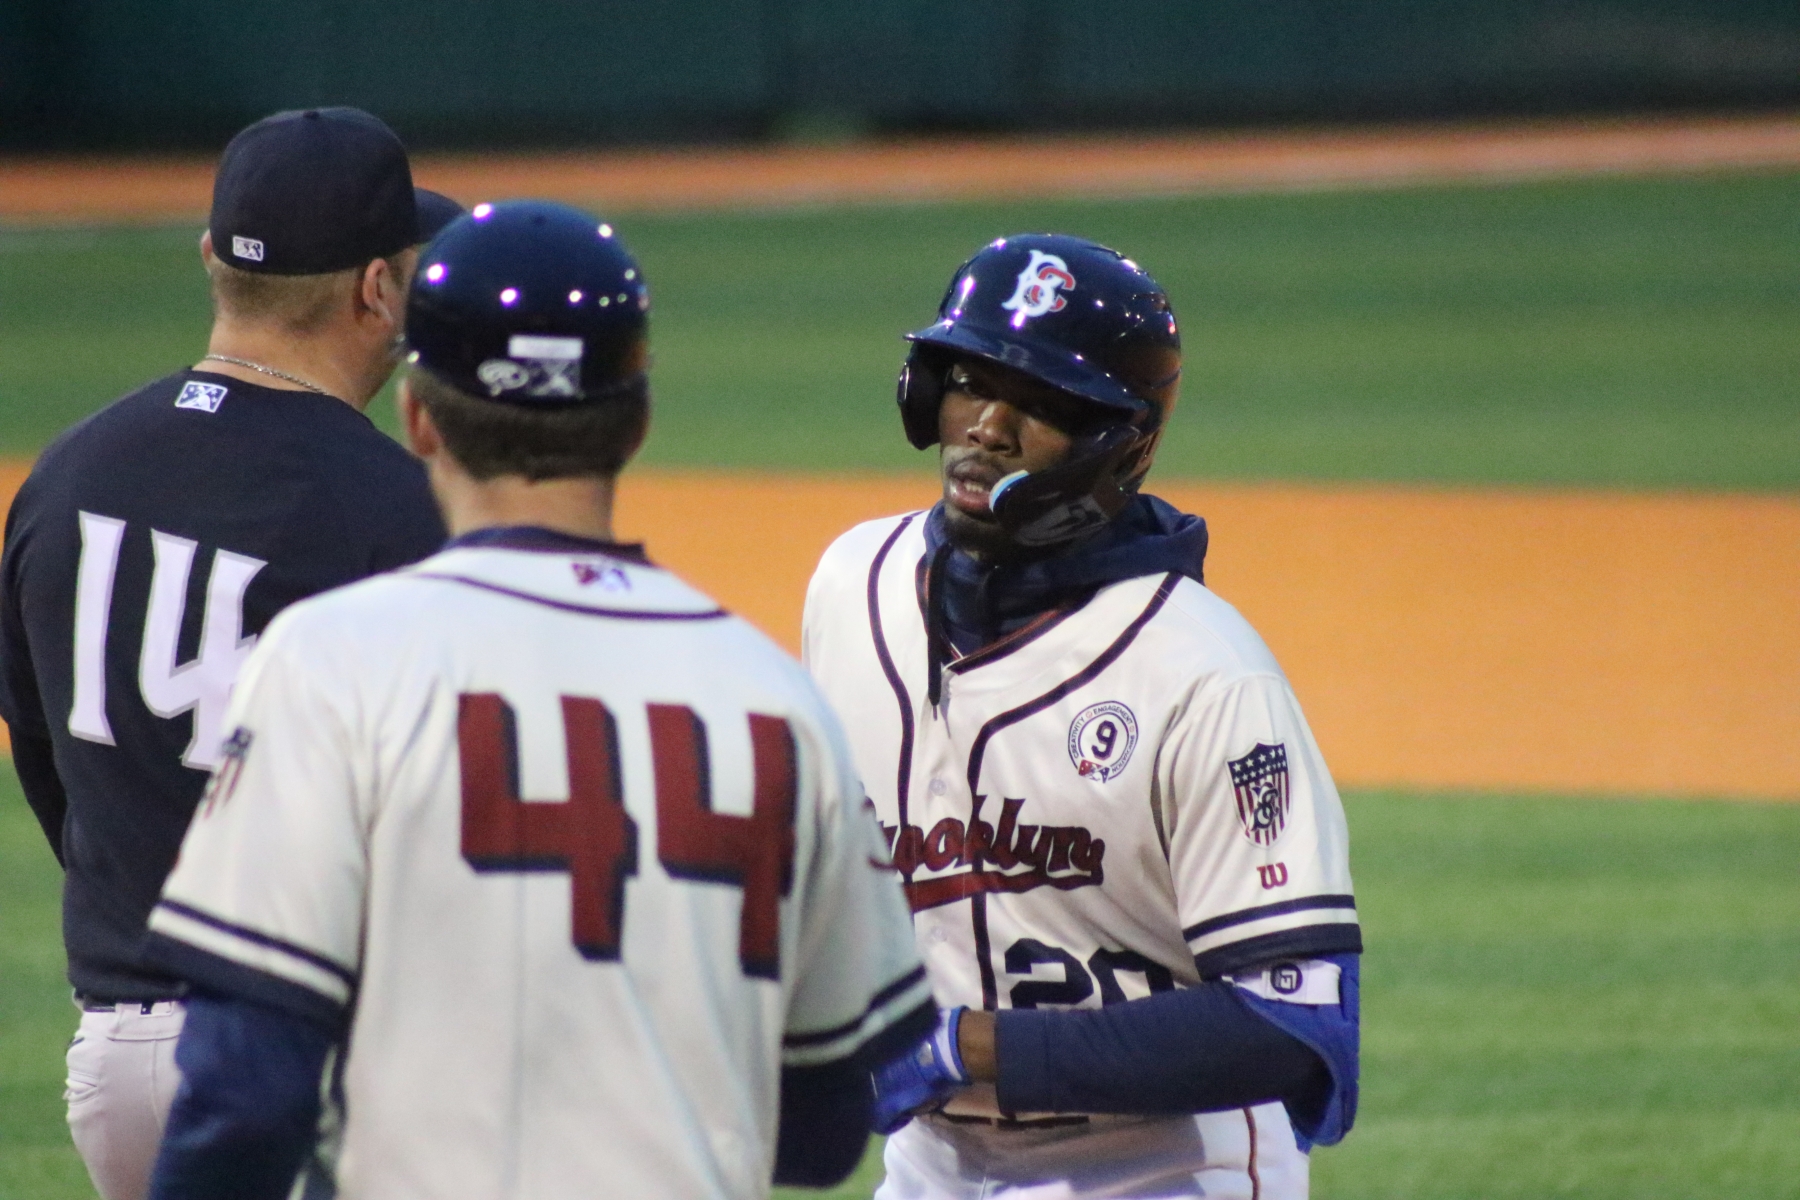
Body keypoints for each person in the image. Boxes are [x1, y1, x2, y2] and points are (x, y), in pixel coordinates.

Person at [138, 200, 936, 1200]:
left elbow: (245, 1090)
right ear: (635, 424)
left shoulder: (333, 662)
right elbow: (824, 1130)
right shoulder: (779, 706)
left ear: (419, 418)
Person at [801, 234, 1362, 1199]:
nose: (987, 429)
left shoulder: (1205, 676)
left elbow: (1293, 1025)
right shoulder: (852, 585)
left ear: (1123, 442)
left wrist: (967, 1048)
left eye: (1043, 403)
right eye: (970, 382)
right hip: (933, 1164)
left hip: (1165, 1165)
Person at [0, 106, 460, 1200]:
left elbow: (44, 757)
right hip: (303, 1061)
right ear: (377, 292)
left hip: (118, 1067)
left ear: (213, 257)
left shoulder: (64, 474)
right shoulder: (401, 509)